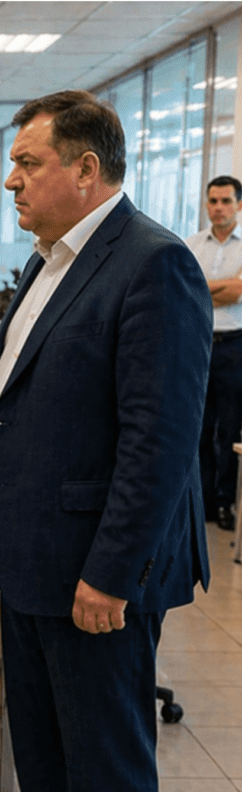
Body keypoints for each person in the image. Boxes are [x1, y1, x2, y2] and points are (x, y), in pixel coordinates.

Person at [0, 91, 211, 792]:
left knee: (105, 751)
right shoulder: (50, 260)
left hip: (95, 568)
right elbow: (18, 403)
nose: (11, 182)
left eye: (28, 164)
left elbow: (159, 441)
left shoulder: (153, 264)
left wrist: (111, 572)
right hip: (33, 553)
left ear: (86, 170)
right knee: (42, 731)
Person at [185, 175, 242, 531]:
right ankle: (202, 500)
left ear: (239, 205)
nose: (218, 208)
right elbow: (188, 291)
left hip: (235, 345)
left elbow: (237, 293)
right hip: (198, 343)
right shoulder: (191, 245)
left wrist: (208, 288)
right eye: (213, 201)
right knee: (199, 426)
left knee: (230, 428)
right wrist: (228, 286)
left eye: (225, 201)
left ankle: (224, 502)